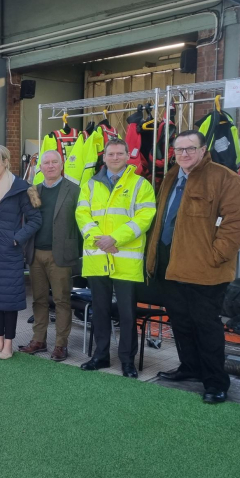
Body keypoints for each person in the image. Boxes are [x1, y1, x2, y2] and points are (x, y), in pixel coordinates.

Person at [147, 130, 240, 404]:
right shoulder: (172, 176)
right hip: (169, 267)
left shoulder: (222, 177)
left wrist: (216, 255)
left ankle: (216, 382)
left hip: (205, 270)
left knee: (206, 327)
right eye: (179, 149)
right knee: (181, 323)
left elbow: (239, 220)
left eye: (190, 148)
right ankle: (190, 368)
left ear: (203, 149)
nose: (184, 154)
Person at [76, 138, 156, 378]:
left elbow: (144, 217)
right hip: (98, 256)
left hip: (125, 259)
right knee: (99, 311)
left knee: (127, 314)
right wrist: (97, 237)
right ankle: (100, 356)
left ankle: (127, 361)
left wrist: (115, 239)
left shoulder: (141, 185)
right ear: (104, 157)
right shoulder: (90, 185)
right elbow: (82, 213)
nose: (115, 157)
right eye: (111, 154)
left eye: (119, 153)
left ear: (126, 156)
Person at [0, 145, 42, 359]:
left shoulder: (20, 187)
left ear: (5, 161)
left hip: (9, 253)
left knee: (8, 300)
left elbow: (35, 220)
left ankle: (8, 346)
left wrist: (16, 239)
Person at [19, 150, 81, 362]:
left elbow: (81, 222)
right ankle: (38, 340)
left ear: (62, 164)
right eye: (46, 163)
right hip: (36, 253)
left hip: (61, 255)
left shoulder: (74, 190)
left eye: (55, 162)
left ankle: (61, 345)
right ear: (40, 167)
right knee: (38, 299)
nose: (51, 166)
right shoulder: (34, 191)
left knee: (62, 300)